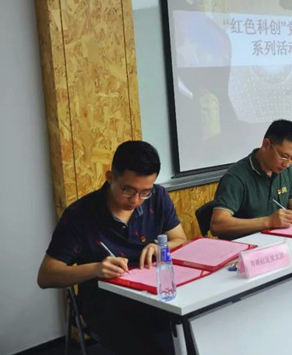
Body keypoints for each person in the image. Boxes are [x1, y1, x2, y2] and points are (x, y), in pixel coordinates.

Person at [37, 141, 187, 355]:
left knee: (192, 330)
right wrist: (96, 268)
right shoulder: (80, 215)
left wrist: (160, 247)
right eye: (128, 190)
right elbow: (46, 276)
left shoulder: (157, 198)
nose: (136, 200)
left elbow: (180, 239)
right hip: (107, 301)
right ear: (110, 177)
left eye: (145, 192)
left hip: (153, 292)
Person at [211, 119, 292, 238]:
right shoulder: (236, 177)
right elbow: (217, 225)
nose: (287, 164)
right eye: (284, 156)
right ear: (266, 145)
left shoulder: (286, 170)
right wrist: (268, 222)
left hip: (279, 240)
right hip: (247, 245)